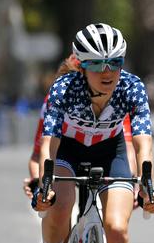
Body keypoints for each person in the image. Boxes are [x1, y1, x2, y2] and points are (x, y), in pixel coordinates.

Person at [32, 23, 154, 243]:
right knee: (60, 208)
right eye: (97, 64)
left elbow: (143, 144)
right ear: (81, 67)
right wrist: (45, 187)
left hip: (110, 152)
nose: (107, 72)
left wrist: (146, 187)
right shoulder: (64, 88)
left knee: (118, 229)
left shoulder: (132, 88)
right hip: (68, 151)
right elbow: (49, 146)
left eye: (115, 63)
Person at [24, 54, 138, 199]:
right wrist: (38, 184)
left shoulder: (115, 101)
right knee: (61, 204)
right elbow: (37, 155)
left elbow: (128, 149)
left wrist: (132, 185)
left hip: (106, 158)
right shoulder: (54, 101)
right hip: (66, 157)